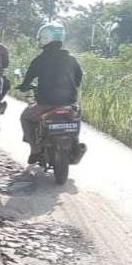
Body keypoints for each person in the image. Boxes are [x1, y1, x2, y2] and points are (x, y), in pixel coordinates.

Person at [16, 23, 83, 163]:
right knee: (76, 117)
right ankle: (75, 143)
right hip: (69, 103)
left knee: (25, 117)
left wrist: (23, 87)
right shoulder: (71, 59)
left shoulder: (39, 60)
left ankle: (35, 150)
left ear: (45, 38)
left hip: (46, 103)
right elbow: (78, 78)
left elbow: (27, 81)